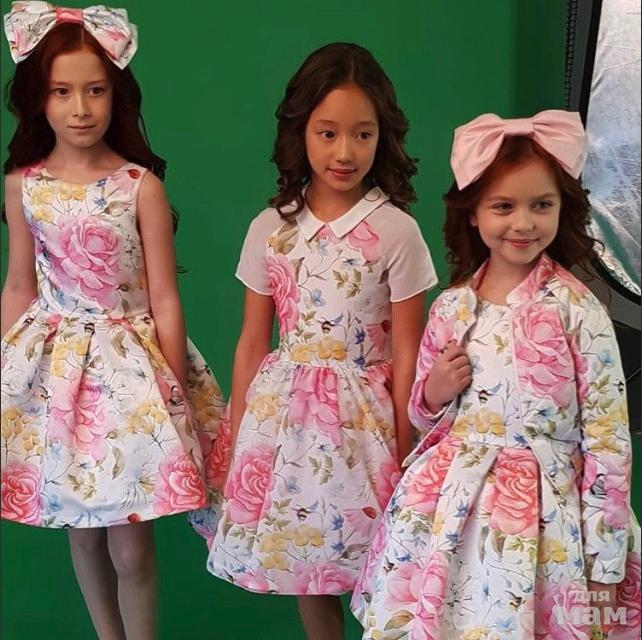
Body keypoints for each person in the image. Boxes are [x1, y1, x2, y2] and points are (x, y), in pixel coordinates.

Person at [351, 111, 641, 639]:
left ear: (562, 209)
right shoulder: (452, 307)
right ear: (473, 214)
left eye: (541, 205)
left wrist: (605, 563)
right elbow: (424, 416)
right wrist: (432, 392)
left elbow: (608, 438)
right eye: (504, 206)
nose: (523, 223)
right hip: (452, 512)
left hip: (548, 519)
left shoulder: (578, 311)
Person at [0, 4, 225, 638]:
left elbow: (164, 297)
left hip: (132, 375)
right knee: (81, 530)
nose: (80, 108)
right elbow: (19, 284)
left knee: (130, 544)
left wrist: (173, 382)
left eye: (95, 90)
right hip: (57, 375)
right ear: (38, 98)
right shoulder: (23, 186)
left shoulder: (139, 186)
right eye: (62, 92)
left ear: (115, 95)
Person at [204, 42, 437, 640]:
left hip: (368, 425)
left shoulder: (397, 231)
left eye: (362, 134)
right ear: (300, 131)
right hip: (286, 424)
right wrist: (239, 434)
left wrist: (407, 442)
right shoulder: (271, 227)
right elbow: (252, 341)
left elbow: (409, 349)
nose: (345, 152)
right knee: (307, 564)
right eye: (328, 133)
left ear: (383, 135)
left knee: (381, 560)